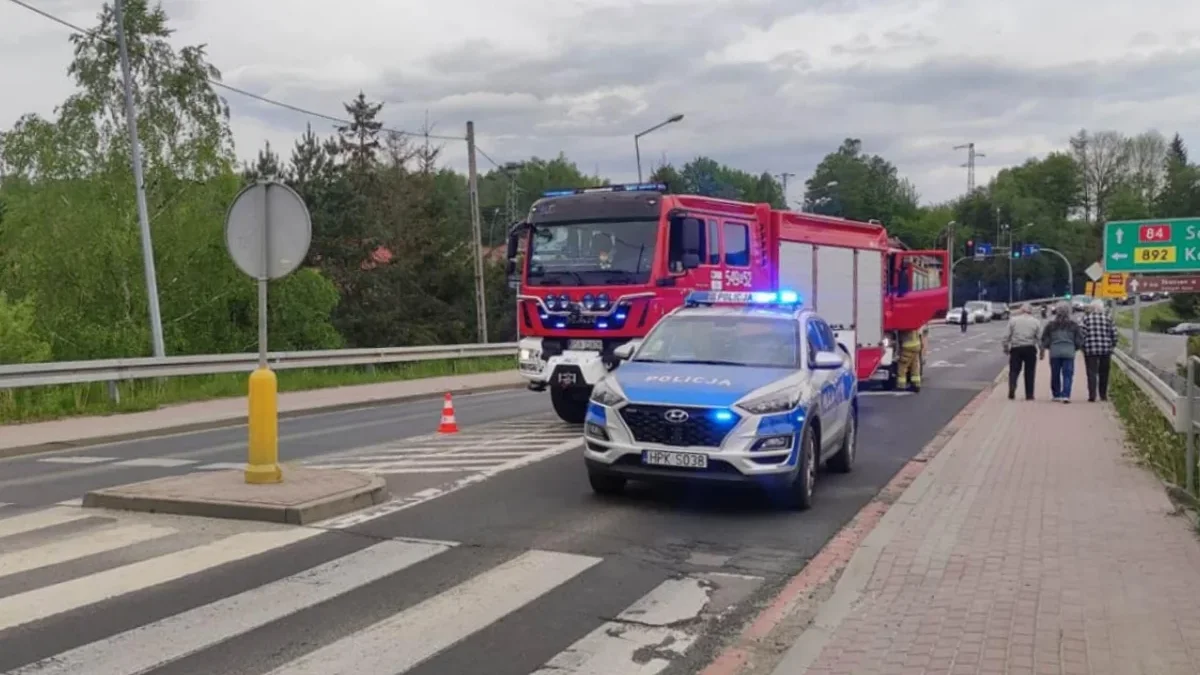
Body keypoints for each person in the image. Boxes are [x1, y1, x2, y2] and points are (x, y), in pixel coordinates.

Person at [1040, 302, 1085, 403]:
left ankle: (1056, 394)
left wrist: (1049, 347)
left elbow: (1044, 339)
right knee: (1068, 374)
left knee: (1055, 374)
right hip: (1069, 352)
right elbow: (1079, 340)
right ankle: (1066, 395)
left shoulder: (1051, 325)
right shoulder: (1074, 325)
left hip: (1055, 353)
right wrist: (1075, 348)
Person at [1081, 299, 1118, 402]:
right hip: (1105, 349)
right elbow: (1114, 334)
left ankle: (1092, 395)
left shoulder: (1086, 319)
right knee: (1104, 372)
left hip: (1090, 349)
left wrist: (1082, 346)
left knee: (1091, 372)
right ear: (1102, 308)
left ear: (1091, 308)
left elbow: (1082, 334)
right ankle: (1103, 395)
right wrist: (1112, 345)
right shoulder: (1108, 318)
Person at [1003, 304, 1042, 400]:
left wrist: (1006, 347)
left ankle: (1012, 385)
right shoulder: (1036, 322)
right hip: (1030, 348)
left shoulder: (1013, 320)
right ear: (1030, 311)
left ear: (1021, 310)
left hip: (1016, 348)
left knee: (1014, 370)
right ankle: (1029, 394)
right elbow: (1039, 338)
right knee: (1030, 372)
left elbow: (1006, 336)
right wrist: (1042, 350)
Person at [895, 328, 925, 392]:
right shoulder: (915, 323)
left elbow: (899, 338)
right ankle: (916, 385)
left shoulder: (904, 325)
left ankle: (901, 386)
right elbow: (920, 334)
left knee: (902, 366)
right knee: (915, 366)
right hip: (917, 346)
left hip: (907, 347)